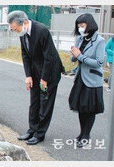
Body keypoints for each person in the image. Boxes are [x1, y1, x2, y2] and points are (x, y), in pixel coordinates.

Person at [7, 11, 65, 145]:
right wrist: (28, 76)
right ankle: (32, 129)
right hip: (35, 71)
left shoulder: (42, 31)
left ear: (25, 23)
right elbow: (25, 55)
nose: (16, 32)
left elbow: (49, 57)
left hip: (49, 72)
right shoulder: (23, 33)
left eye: (16, 29)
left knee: (45, 103)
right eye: (13, 29)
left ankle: (40, 134)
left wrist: (45, 78)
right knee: (34, 103)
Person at [68, 13, 105, 148]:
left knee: (89, 109)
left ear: (89, 25)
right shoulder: (79, 38)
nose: (80, 28)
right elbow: (74, 58)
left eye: (82, 25)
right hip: (80, 78)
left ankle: (86, 135)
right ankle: (81, 133)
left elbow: (99, 62)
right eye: (79, 26)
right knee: (80, 107)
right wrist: (73, 54)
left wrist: (81, 56)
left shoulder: (99, 40)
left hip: (93, 79)